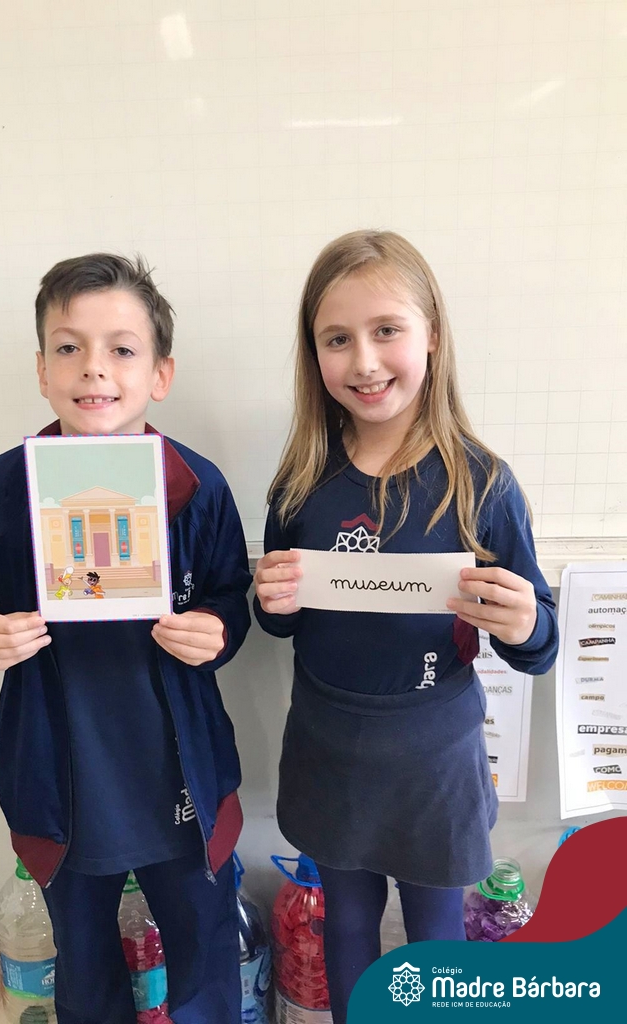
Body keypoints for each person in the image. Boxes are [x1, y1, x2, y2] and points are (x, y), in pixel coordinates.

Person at [253, 230, 558, 1023]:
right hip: (328, 746)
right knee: (347, 922)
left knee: (434, 932)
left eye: (386, 329)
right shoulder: (300, 483)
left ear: (432, 335)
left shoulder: (483, 484)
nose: (364, 361)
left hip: (434, 755)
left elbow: (539, 646)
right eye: (337, 339)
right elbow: (281, 623)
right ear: (313, 354)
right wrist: (269, 601)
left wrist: (526, 621)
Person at [0, 253, 251, 1024]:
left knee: (205, 951)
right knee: (82, 963)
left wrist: (218, 628)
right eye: (69, 347)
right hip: (64, 782)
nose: (94, 369)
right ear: (41, 370)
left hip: (178, 779)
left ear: (161, 374)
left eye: (122, 348)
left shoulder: (199, 488)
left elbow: (228, 595)